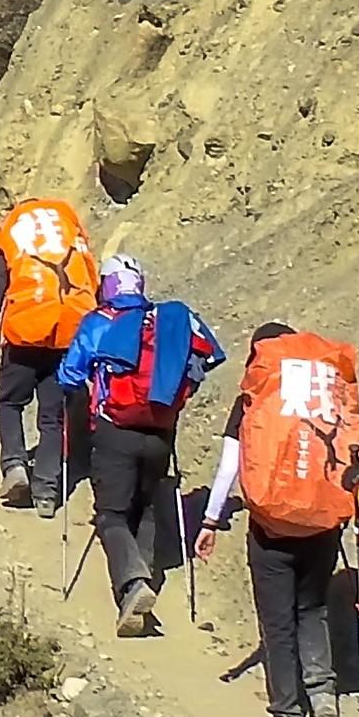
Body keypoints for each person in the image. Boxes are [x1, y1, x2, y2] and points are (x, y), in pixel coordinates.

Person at [193, 320, 359, 717]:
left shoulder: (258, 395)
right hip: (323, 521)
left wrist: (211, 520)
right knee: (313, 610)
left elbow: (231, 463)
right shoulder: (328, 388)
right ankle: (324, 699)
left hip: (271, 527)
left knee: (278, 622)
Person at [57, 256, 220, 636]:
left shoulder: (100, 320)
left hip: (115, 430)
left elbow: (70, 374)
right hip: (161, 430)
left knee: (111, 514)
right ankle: (142, 580)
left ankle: (133, 583)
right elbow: (209, 355)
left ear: (108, 284)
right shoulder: (170, 321)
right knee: (146, 507)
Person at [0, 195, 96, 510]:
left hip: (25, 331)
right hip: (69, 333)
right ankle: (46, 493)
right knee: (52, 417)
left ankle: (15, 465)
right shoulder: (71, 232)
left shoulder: (15, 231)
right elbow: (93, 285)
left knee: (9, 403)